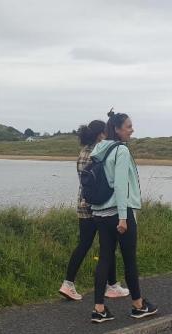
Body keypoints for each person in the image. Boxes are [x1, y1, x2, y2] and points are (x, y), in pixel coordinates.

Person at [89, 109, 158, 323]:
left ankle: (99, 309)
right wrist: (122, 217)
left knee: (105, 259)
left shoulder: (99, 148)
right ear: (118, 130)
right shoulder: (121, 151)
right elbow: (120, 185)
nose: (132, 130)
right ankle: (138, 305)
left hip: (100, 211)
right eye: (128, 126)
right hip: (120, 212)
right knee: (129, 259)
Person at [58, 120, 130, 301]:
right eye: (105, 133)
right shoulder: (98, 153)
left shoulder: (83, 152)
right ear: (100, 135)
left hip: (83, 204)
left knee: (84, 244)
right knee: (108, 246)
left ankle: (68, 283)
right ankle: (111, 285)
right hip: (99, 205)